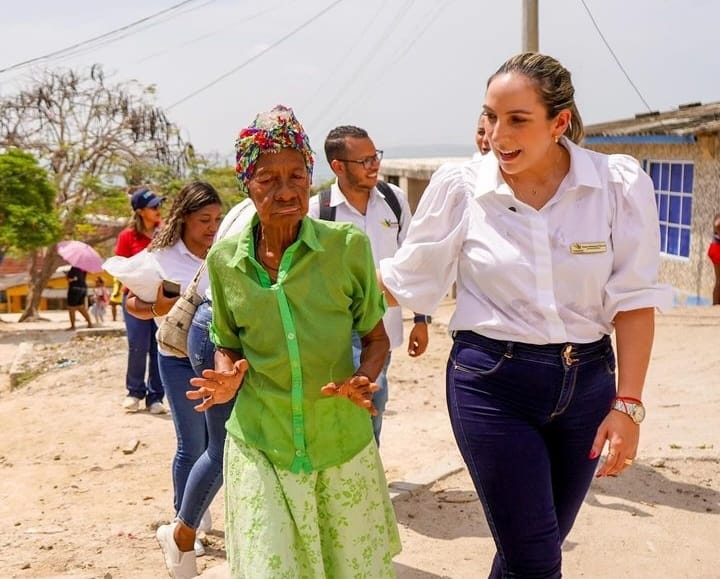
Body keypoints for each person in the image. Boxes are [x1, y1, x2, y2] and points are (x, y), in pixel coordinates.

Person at [378, 52, 673, 578]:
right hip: (492, 385)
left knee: (532, 552)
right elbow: (406, 280)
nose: (496, 134)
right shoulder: (462, 188)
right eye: (490, 116)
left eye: (517, 120)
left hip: (588, 389)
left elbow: (634, 302)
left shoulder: (617, 186)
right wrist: (304, 272)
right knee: (536, 559)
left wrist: (628, 406)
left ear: (559, 123)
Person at [185, 105, 401, 579]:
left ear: (311, 175)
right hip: (262, 440)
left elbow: (375, 335)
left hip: (338, 443)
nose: (286, 191)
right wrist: (226, 375)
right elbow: (228, 341)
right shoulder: (224, 260)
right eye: (268, 179)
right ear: (247, 184)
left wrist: (365, 376)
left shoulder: (347, 247)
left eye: (297, 175)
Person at [309, 125, 430, 444]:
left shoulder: (394, 199)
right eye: (364, 160)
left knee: (373, 400)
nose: (374, 165)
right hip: (336, 330)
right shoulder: (319, 211)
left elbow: (412, 261)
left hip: (384, 326)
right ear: (338, 167)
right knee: (358, 399)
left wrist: (421, 318)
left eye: (375, 156)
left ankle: (365, 479)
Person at [115, 187, 165, 414]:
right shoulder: (127, 236)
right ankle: (134, 392)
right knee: (137, 345)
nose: (158, 210)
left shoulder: (163, 232)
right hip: (134, 298)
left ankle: (156, 397)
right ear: (141, 211)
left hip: (160, 298)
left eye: (159, 206)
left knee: (159, 346)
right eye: (154, 206)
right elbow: (120, 266)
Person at [65, 266, 93, 330]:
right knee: (80, 307)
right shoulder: (84, 268)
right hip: (83, 288)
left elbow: (70, 279)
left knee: (71, 307)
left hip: (74, 288)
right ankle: (89, 323)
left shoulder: (74, 267)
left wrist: (67, 276)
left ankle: (73, 326)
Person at [708, 212, 720, 305]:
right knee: (719, 279)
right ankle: (715, 304)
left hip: (716, 248)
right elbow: (716, 224)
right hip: (717, 249)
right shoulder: (718, 217)